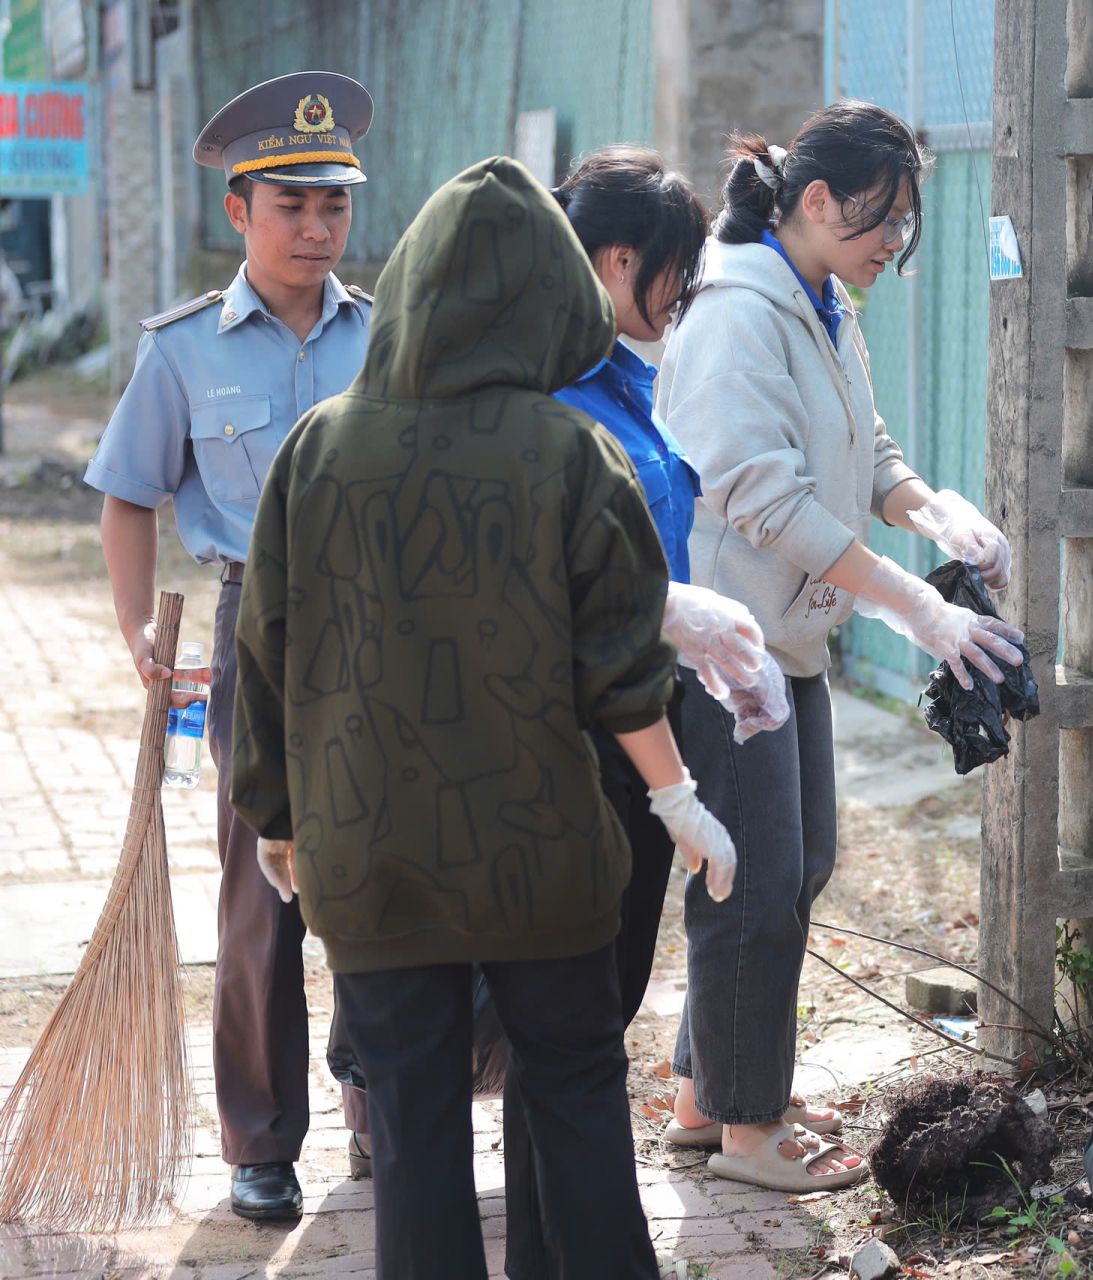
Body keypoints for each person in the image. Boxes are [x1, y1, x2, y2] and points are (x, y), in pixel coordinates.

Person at [227, 155, 737, 1279]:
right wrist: (680, 798)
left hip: (370, 853)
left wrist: (275, 818)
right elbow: (622, 667)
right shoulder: (572, 453)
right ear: (553, 296)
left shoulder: (316, 448)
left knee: (411, 1132)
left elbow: (263, 649)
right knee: (577, 1099)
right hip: (541, 856)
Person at [655, 100, 1023, 1193]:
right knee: (757, 879)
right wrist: (916, 603)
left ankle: (704, 1092)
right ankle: (750, 1129)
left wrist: (930, 509)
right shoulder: (735, 311)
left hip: (792, 640)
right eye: (883, 221)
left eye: (902, 225)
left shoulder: (821, 298)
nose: (891, 245)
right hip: (732, 652)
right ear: (816, 202)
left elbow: (866, 450)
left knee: (795, 862)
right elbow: (766, 497)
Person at [83, 71, 377, 1221]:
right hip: (254, 631)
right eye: (291, 205)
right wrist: (129, 630)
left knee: (380, 876)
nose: (316, 228)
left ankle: (380, 1105)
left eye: (334, 207)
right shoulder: (182, 353)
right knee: (263, 899)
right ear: (238, 213)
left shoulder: (389, 337)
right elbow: (127, 493)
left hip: (382, 635)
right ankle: (261, 1140)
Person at [496, 144, 789, 1280]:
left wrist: (693, 631)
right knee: (566, 1025)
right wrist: (671, 612)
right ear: (619, 260)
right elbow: (565, 576)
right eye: (674, 270)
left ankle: (549, 1248)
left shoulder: (626, 378)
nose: (684, 296)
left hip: (640, 717)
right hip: (581, 737)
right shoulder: (548, 396)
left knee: (594, 1013)